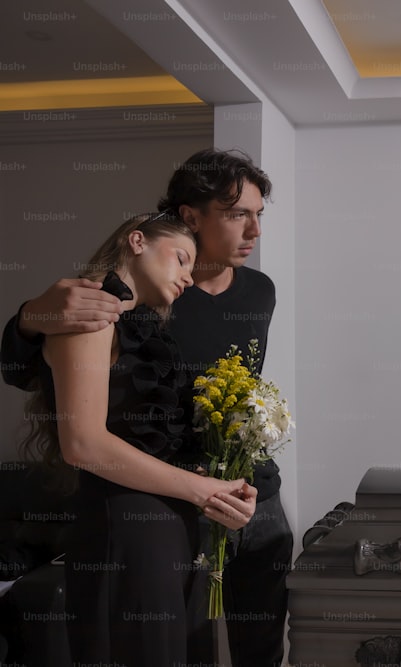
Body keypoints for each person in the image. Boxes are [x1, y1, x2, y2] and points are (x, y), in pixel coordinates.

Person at [2, 149, 291, 667]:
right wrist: (31, 316)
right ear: (189, 217)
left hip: (230, 496)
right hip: (164, 505)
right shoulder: (108, 307)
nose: (254, 231)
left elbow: (232, 400)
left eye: (258, 215)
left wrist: (235, 476)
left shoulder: (257, 293)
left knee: (243, 646)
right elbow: (72, 420)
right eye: (235, 213)